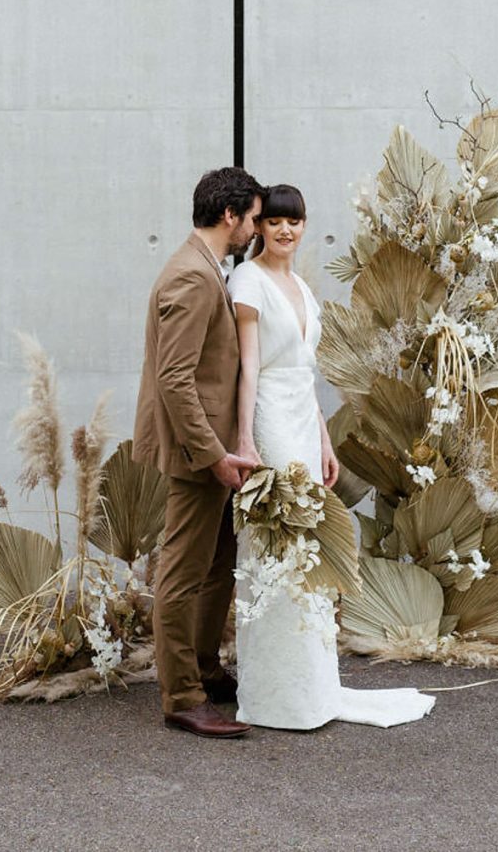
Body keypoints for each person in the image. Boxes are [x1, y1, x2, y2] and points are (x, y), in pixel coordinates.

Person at [228, 183, 436, 730]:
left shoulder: (299, 285)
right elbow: (250, 368)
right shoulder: (246, 282)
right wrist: (246, 441)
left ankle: (311, 683)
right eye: (274, 222)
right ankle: (275, 693)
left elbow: (306, 375)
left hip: (301, 417)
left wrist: (322, 439)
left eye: (294, 221)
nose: (285, 231)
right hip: (269, 418)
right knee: (278, 543)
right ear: (259, 228)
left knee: (311, 548)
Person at [133, 166, 266, 738]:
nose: (257, 230)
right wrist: (213, 454)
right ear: (230, 215)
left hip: (213, 449)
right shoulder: (191, 276)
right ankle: (181, 697)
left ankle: (206, 669)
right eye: (254, 219)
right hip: (198, 452)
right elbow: (175, 380)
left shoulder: (208, 267)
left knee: (218, 561)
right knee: (184, 572)